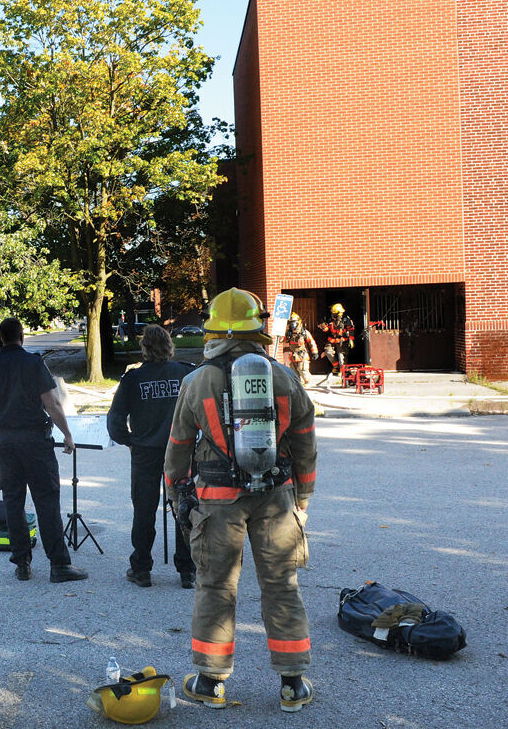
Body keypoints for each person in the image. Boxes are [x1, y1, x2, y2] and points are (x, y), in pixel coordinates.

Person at [163, 288, 317, 713]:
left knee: (215, 586)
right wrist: (303, 497)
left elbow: (178, 445)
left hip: (217, 501)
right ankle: (293, 685)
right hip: (277, 498)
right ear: (257, 331)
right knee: (282, 586)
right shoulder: (284, 378)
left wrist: (174, 490)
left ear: (213, 332)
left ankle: (210, 683)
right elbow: (305, 447)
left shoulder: (197, 381)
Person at [0, 317, 87, 583]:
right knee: (46, 500)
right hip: (35, 440)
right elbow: (52, 403)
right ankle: (58, 565)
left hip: (6, 441)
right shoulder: (34, 363)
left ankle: (22, 563)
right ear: (21, 336)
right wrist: (67, 434)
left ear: (0, 337)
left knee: (13, 502)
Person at [107, 325, 196, 589]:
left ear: (145, 348)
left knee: (144, 511)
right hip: (180, 450)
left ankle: (142, 568)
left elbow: (115, 420)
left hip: (145, 451)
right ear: (170, 347)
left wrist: (129, 441)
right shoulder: (186, 373)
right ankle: (187, 570)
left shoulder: (133, 379)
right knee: (185, 508)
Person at [318, 303, 355, 379]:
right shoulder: (331, 320)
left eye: (335, 313)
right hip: (332, 341)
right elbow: (327, 329)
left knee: (342, 358)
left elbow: (351, 329)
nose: (333, 314)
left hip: (342, 341)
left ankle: (343, 372)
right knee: (328, 352)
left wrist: (351, 339)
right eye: (333, 313)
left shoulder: (346, 320)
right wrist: (323, 327)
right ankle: (336, 367)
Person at [283, 313, 319, 386]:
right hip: (293, 356)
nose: (292, 324)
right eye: (291, 323)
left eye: (294, 322)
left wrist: (314, 352)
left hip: (302, 355)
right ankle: (298, 385)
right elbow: (282, 340)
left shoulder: (304, 332)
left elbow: (311, 342)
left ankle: (309, 384)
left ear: (298, 322)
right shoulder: (288, 333)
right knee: (294, 373)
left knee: (303, 370)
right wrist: (280, 333)